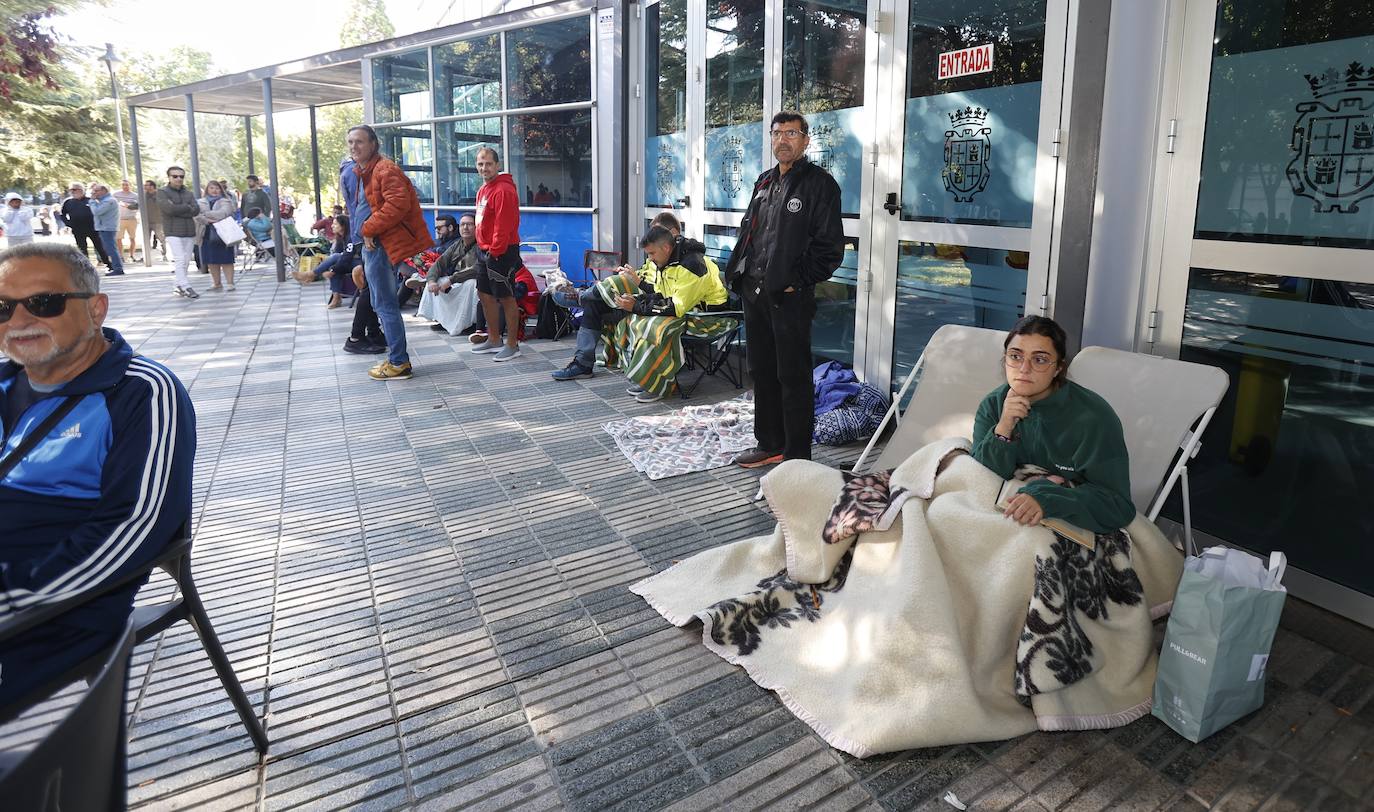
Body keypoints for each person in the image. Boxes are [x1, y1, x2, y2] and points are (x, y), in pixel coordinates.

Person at [0, 242, 195, 706]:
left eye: (44, 302)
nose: (20, 321)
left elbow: (135, 527)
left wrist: (15, 595)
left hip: (65, 600)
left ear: (96, 309)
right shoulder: (5, 381)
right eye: (3, 308)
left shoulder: (142, 392)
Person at [724, 112, 844, 468]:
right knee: (761, 369)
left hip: (790, 296)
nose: (782, 140)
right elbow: (750, 233)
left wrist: (796, 281)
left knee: (792, 375)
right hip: (755, 293)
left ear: (806, 140)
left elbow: (829, 248)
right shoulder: (764, 182)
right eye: (777, 133)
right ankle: (770, 441)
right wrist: (739, 275)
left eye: (791, 133)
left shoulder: (820, 185)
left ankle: (797, 454)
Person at [971, 316, 1136, 532]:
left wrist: (1048, 500)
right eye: (1015, 356)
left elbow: (1117, 505)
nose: (1023, 369)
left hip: (1064, 525)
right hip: (996, 517)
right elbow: (977, 482)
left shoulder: (1093, 418)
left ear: (1058, 368)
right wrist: (1003, 428)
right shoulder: (994, 405)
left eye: (1039, 359)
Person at [552, 226, 727, 402]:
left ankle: (655, 384)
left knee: (651, 325)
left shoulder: (692, 266)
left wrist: (637, 306)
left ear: (666, 248)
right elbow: (661, 293)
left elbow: (677, 307)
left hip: (706, 317)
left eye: (652, 253)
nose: (649, 258)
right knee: (608, 307)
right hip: (684, 309)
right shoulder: (668, 260)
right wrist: (638, 291)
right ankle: (586, 361)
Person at [350, 124, 430, 380]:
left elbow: (398, 203)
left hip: (380, 245)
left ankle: (399, 362)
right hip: (373, 244)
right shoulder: (366, 171)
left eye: (359, 142)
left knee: (384, 304)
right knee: (379, 302)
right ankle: (396, 358)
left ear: (373, 143)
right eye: (350, 142)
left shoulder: (385, 169)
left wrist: (369, 229)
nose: (354, 146)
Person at [471, 147, 524, 362]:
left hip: (501, 252)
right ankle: (494, 339)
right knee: (484, 294)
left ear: (497, 165)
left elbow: (504, 225)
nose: (484, 168)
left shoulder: (503, 190)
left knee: (506, 297)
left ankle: (513, 345)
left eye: (489, 164)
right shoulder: (484, 189)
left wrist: (495, 250)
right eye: (480, 164)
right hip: (484, 250)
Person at [337, 156, 386, 355]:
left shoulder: (348, 171)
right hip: (367, 234)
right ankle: (356, 337)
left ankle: (373, 332)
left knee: (370, 287)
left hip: (361, 233)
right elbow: (364, 204)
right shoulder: (355, 172)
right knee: (369, 288)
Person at [417, 213, 481, 335]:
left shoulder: (482, 244)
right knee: (437, 282)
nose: (465, 228)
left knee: (471, 285)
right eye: (463, 224)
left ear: (477, 227)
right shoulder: (457, 244)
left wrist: (452, 280)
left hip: (472, 281)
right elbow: (439, 264)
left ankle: (471, 324)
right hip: (456, 281)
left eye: (469, 224)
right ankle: (444, 320)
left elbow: (476, 269)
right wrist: (431, 281)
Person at [156, 167, 201, 299]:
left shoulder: (188, 193)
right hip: (173, 231)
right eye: (175, 176)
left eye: (181, 176)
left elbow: (196, 210)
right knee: (180, 259)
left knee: (186, 260)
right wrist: (187, 207)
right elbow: (168, 209)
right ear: (169, 177)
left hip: (189, 231)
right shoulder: (162, 192)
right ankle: (186, 286)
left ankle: (178, 285)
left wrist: (180, 208)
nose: (178, 179)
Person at [400, 214, 459, 305]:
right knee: (402, 258)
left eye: (439, 228)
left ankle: (419, 276)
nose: (437, 231)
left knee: (412, 259)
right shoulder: (437, 241)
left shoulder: (458, 242)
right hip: (428, 267)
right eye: (436, 228)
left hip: (443, 269)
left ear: (450, 227)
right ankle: (416, 275)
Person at [195, 181, 238, 292]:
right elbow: (196, 215)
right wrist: (206, 219)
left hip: (224, 233)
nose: (214, 190)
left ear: (221, 189)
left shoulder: (226, 201)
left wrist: (206, 214)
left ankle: (230, 283)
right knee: (211, 259)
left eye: (217, 188)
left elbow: (223, 213)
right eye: (211, 188)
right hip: (207, 232)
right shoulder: (200, 202)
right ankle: (216, 283)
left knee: (226, 259)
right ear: (207, 190)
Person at [60, 183, 110, 269]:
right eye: (71, 190)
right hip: (77, 228)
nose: (72, 192)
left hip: (92, 228)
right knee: (82, 248)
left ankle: (108, 264)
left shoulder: (90, 200)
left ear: (81, 190)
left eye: (74, 190)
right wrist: (68, 223)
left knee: (100, 247)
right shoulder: (68, 202)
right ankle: (86, 266)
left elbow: (100, 211)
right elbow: (62, 214)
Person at [87, 183, 124, 277]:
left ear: (104, 191)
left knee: (111, 248)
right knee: (109, 248)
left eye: (96, 191)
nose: (94, 193)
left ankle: (118, 268)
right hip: (103, 227)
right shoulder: (102, 200)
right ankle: (116, 267)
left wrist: (92, 201)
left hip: (107, 228)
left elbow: (97, 212)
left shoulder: (109, 201)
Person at [112, 179, 141, 263]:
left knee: (132, 238)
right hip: (119, 219)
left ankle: (132, 255)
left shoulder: (135, 196)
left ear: (130, 186)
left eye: (127, 185)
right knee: (119, 239)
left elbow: (138, 206)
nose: (125, 186)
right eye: (123, 185)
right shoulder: (116, 194)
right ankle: (121, 256)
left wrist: (128, 205)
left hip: (131, 219)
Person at [143, 180, 167, 262]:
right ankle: (146, 256)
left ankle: (165, 254)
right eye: (145, 185)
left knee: (161, 238)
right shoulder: (143, 195)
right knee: (146, 239)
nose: (145, 187)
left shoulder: (160, 194)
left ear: (152, 186)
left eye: (147, 185)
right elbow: (139, 204)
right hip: (146, 221)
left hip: (158, 221)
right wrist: (129, 206)